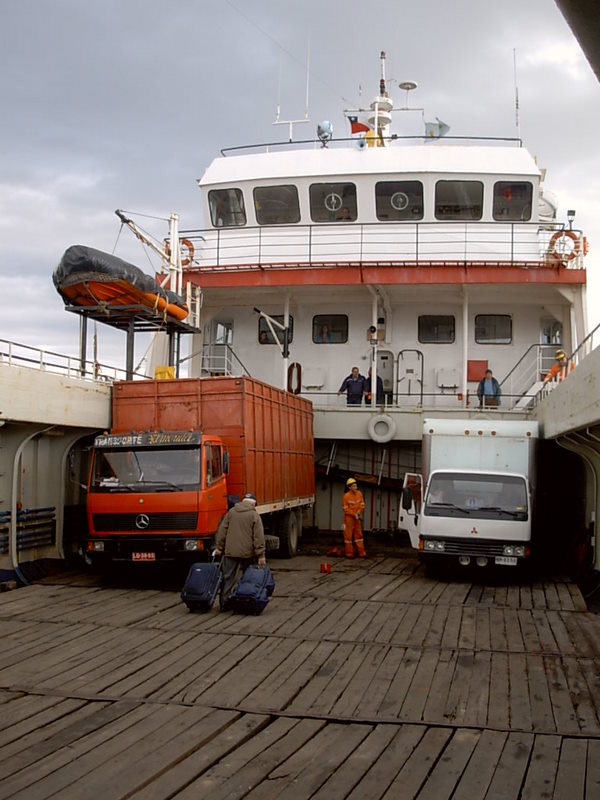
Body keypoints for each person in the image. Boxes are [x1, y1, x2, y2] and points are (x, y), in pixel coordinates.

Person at [214, 491, 266, 610]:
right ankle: (245, 601)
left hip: (230, 552)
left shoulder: (231, 512)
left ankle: (224, 603)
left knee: (228, 578)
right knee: (248, 578)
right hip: (247, 553)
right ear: (253, 504)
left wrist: (219, 548)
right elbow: (258, 537)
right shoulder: (254, 515)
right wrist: (261, 555)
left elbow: (222, 531)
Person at [342, 478, 366, 558]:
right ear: (349, 487)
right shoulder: (346, 496)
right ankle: (349, 553)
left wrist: (358, 513)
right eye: (354, 486)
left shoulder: (359, 493)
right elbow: (345, 509)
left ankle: (361, 552)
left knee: (359, 535)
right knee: (348, 536)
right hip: (349, 519)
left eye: (356, 485)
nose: (355, 487)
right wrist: (353, 514)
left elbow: (362, 505)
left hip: (357, 517)